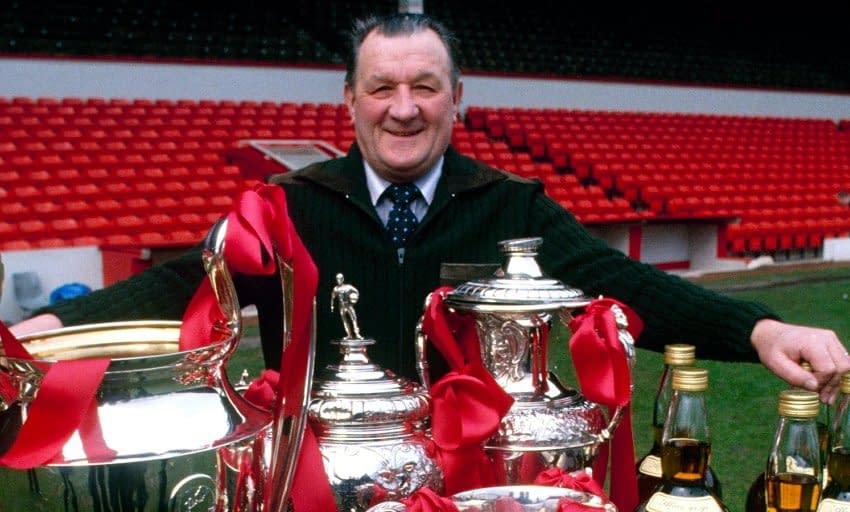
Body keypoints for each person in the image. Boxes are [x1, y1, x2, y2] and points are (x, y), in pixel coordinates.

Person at [10, 13, 850, 403]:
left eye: (425, 86)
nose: (403, 108)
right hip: (321, 480)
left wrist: (760, 331)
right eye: (382, 87)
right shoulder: (285, 206)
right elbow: (179, 288)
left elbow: (623, 285)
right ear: (349, 100)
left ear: (458, 99)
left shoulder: (511, 206)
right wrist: (43, 331)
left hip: (471, 481)